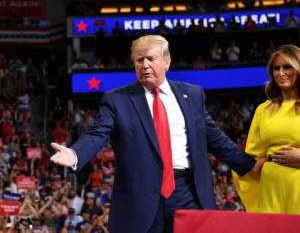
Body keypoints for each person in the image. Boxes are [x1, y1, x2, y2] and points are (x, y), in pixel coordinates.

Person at [50, 35, 262, 233]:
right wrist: (76, 154)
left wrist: (249, 166)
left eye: (151, 58)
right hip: (140, 197)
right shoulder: (117, 100)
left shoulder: (193, 95)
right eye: (139, 60)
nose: (145, 65)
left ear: (167, 61)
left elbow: (215, 138)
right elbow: (98, 133)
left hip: (188, 191)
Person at [233, 44, 300, 214]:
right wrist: (257, 164)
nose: (281, 73)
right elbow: (252, 154)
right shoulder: (263, 109)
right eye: (276, 68)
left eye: (287, 67)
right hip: (271, 186)